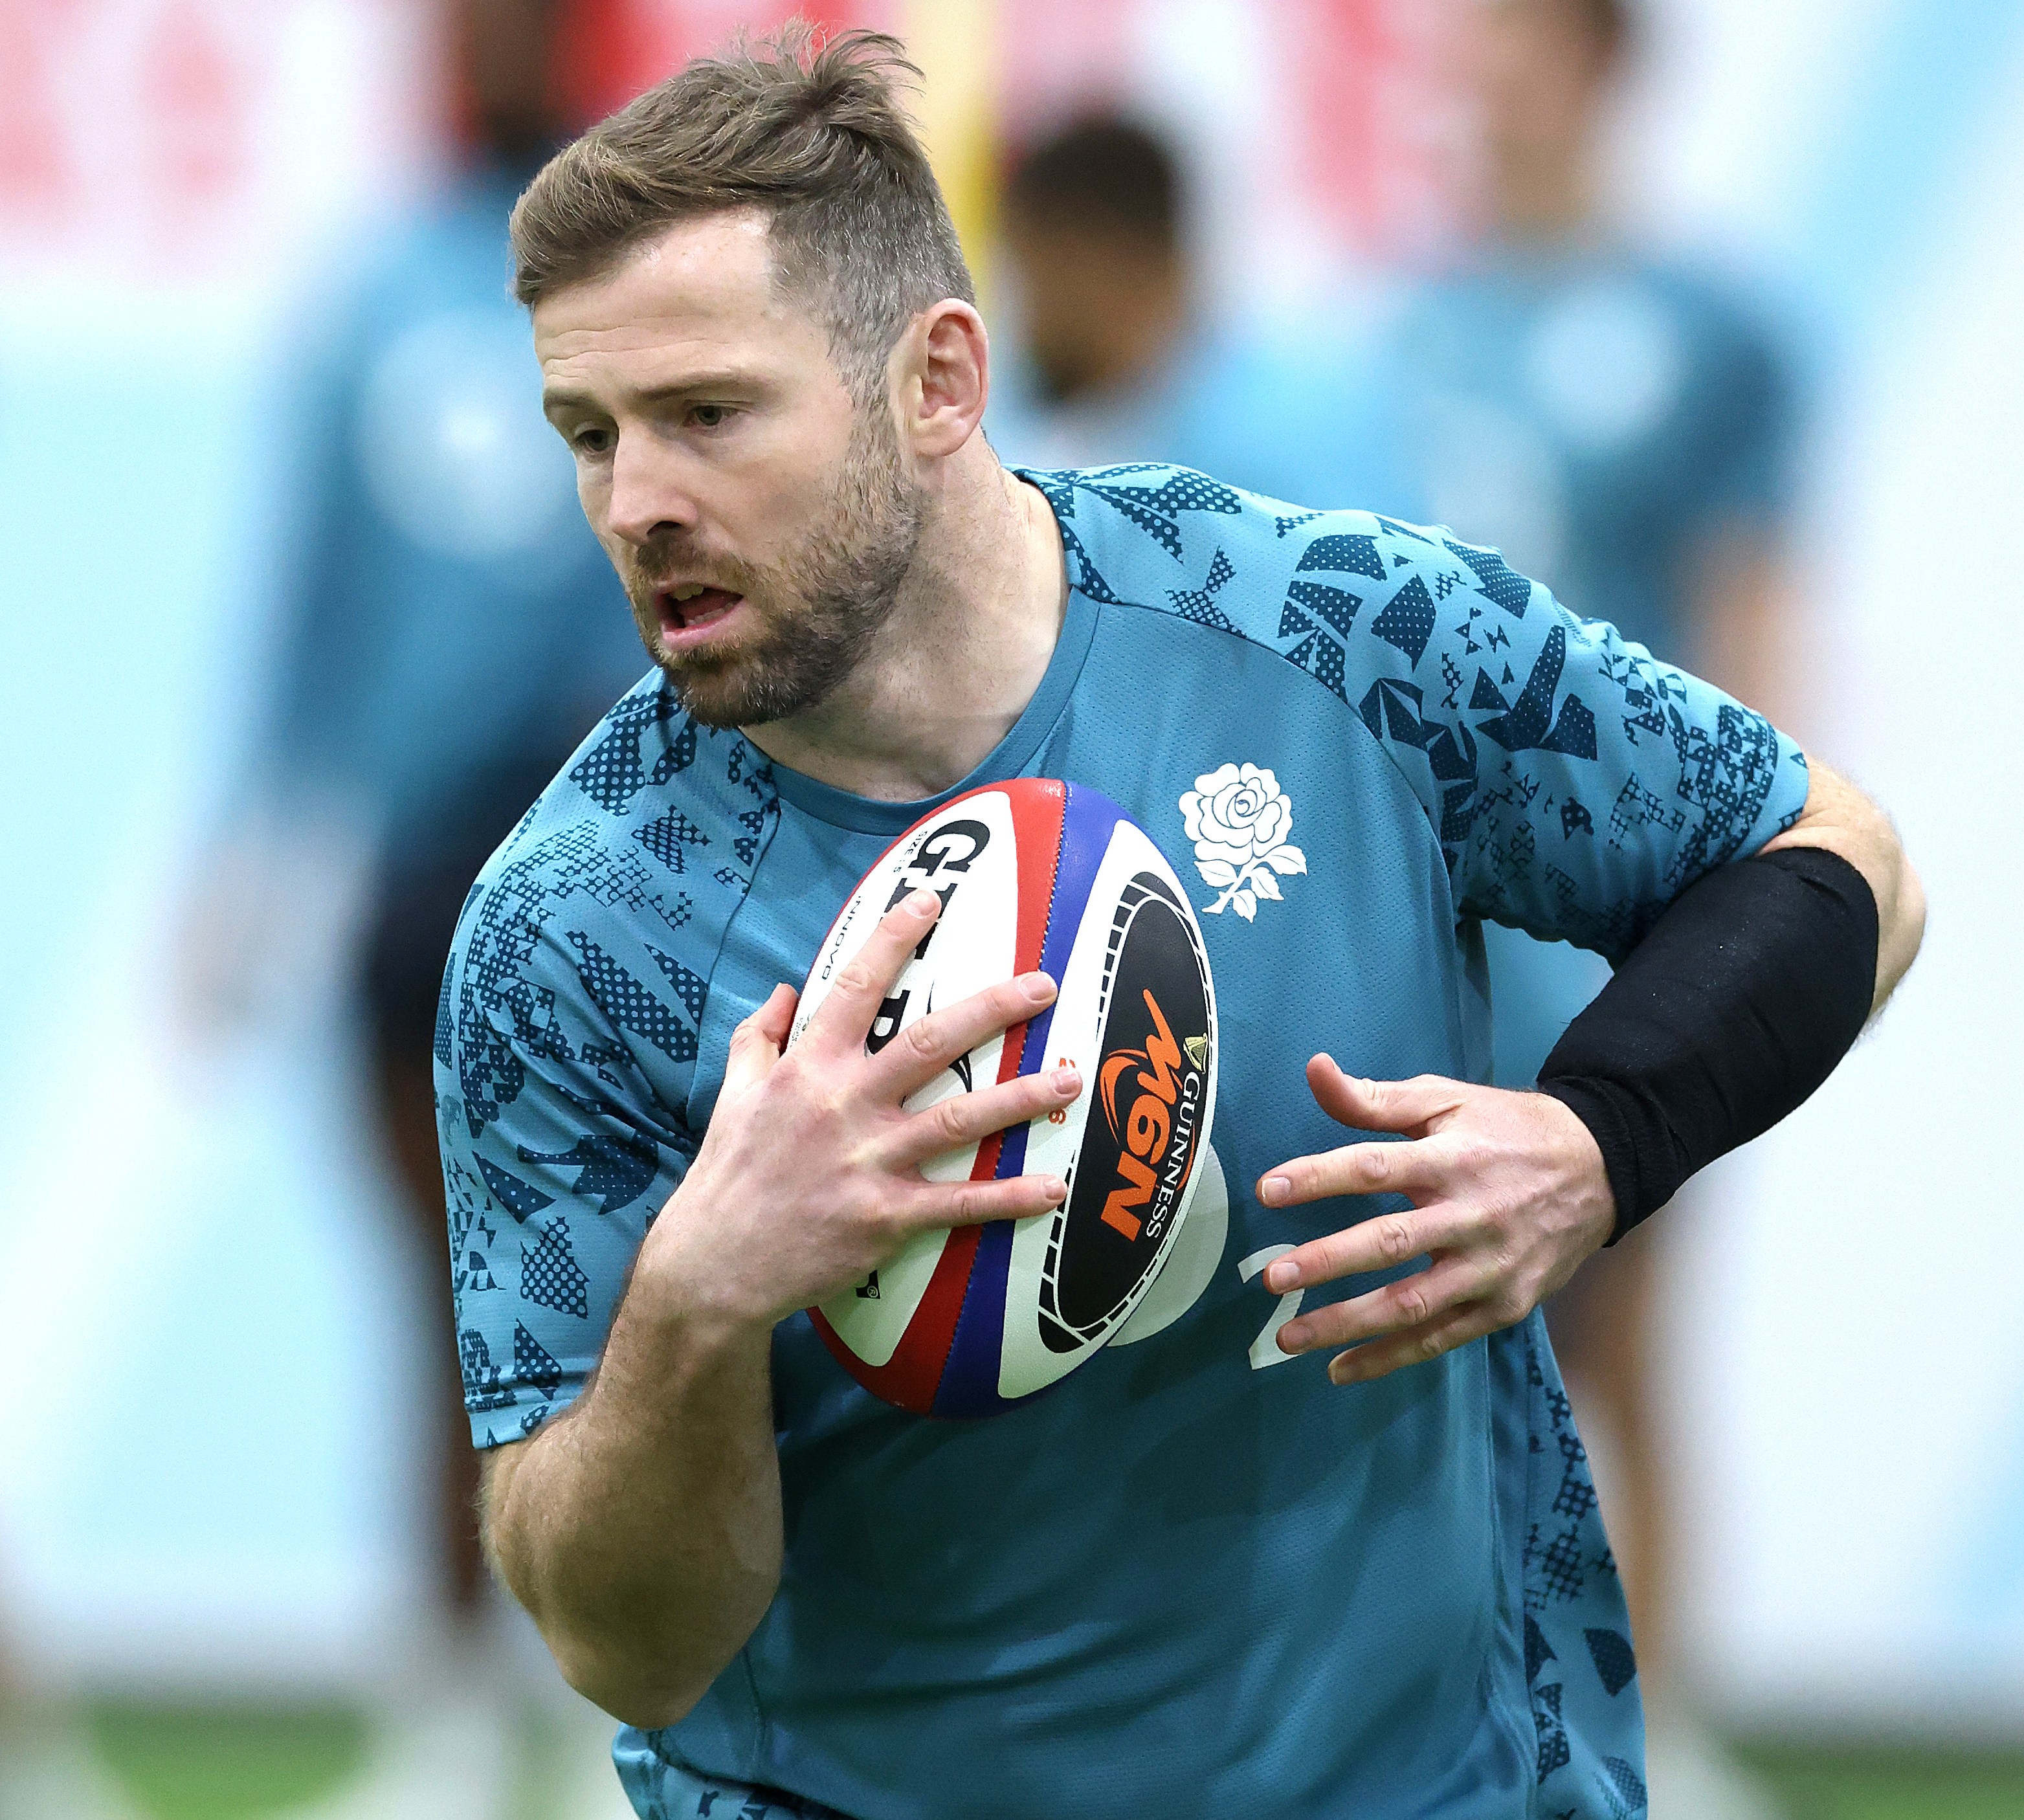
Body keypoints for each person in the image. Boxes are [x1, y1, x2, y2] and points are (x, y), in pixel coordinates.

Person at [438, 29, 1923, 1820]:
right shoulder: (572, 929)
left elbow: (1833, 855)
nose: (634, 501)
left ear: (936, 380)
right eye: (586, 434)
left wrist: (1597, 1138)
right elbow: (626, 1643)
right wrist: (695, 1296)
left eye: (706, 414)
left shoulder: (1330, 631)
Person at [186, 3, 647, 1814]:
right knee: (452, 1310)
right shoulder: (373, 292)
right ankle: (458, 1706)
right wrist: (249, 853)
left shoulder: (655, 278)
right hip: (417, 881)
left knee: (669, 1306)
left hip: (629, 864)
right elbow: (308, 599)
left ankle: (667, 1707)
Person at [1351, 2, 1807, 1788]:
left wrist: (1748, 911)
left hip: (1630, 923)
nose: (1472, 80)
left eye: (1512, 45)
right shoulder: (1375, 338)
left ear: (1602, 69)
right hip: (1423, 928)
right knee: (1417, 1346)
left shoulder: (1710, 336)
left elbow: (1751, 629)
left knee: (1624, 1331)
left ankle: (1664, 1728)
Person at [985, 113, 1373, 505]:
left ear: (1110, 272)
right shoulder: (1164, 417)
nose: (1026, 325)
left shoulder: (1269, 447)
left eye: (1036, 282)